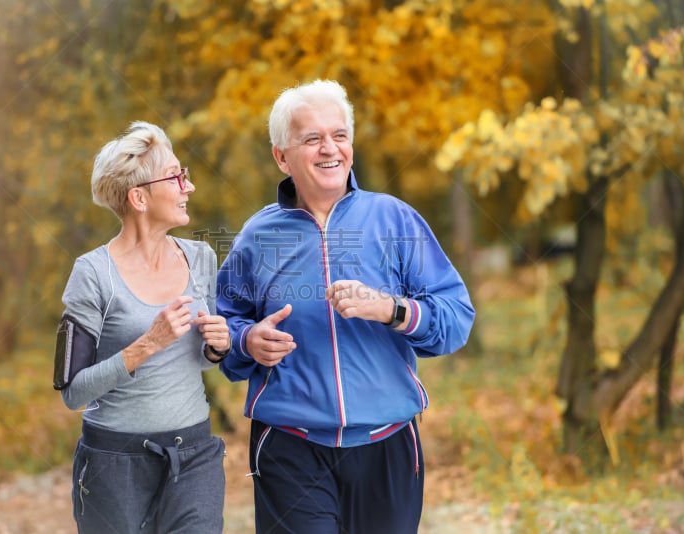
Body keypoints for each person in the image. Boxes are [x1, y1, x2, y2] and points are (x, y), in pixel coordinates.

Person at [216, 80, 476, 534]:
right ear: (282, 156)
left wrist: (390, 309)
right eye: (312, 139)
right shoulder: (258, 237)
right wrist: (247, 340)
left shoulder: (394, 220)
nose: (329, 149)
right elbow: (224, 326)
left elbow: (456, 318)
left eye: (339, 135)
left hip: (388, 443)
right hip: (290, 447)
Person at [57, 121, 229, 533]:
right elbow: (72, 392)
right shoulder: (93, 273)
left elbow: (197, 361)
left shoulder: (200, 258)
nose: (189, 187)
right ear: (139, 197)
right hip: (114, 463)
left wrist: (216, 348)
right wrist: (146, 344)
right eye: (177, 176)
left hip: (193, 454)